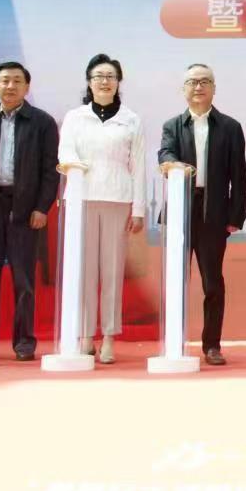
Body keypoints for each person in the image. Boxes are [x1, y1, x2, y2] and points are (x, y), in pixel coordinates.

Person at [0, 61, 60, 362]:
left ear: (27, 87)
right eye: (5, 80)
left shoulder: (42, 122)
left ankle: (24, 343)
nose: (10, 86)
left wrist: (42, 207)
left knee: (24, 280)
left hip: (25, 208)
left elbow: (50, 170)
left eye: (17, 81)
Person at [57, 54, 146, 364]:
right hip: (81, 199)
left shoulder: (131, 119)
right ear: (89, 81)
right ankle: (85, 335)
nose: (105, 81)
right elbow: (65, 152)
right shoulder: (75, 117)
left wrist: (138, 209)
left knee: (112, 271)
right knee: (84, 270)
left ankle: (108, 336)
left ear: (118, 82)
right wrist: (76, 166)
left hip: (117, 199)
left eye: (110, 76)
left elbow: (138, 166)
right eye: (99, 76)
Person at [158, 64, 246, 366]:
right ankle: (175, 343)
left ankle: (212, 345)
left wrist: (235, 216)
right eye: (193, 82)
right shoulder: (172, 125)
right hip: (180, 209)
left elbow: (239, 176)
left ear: (214, 88)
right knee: (176, 280)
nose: (198, 87)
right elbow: (165, 154)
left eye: (205, 81)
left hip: (214, 212)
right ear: (183, 89)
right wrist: (173, 164)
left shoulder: (230, 127)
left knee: (212, 282)